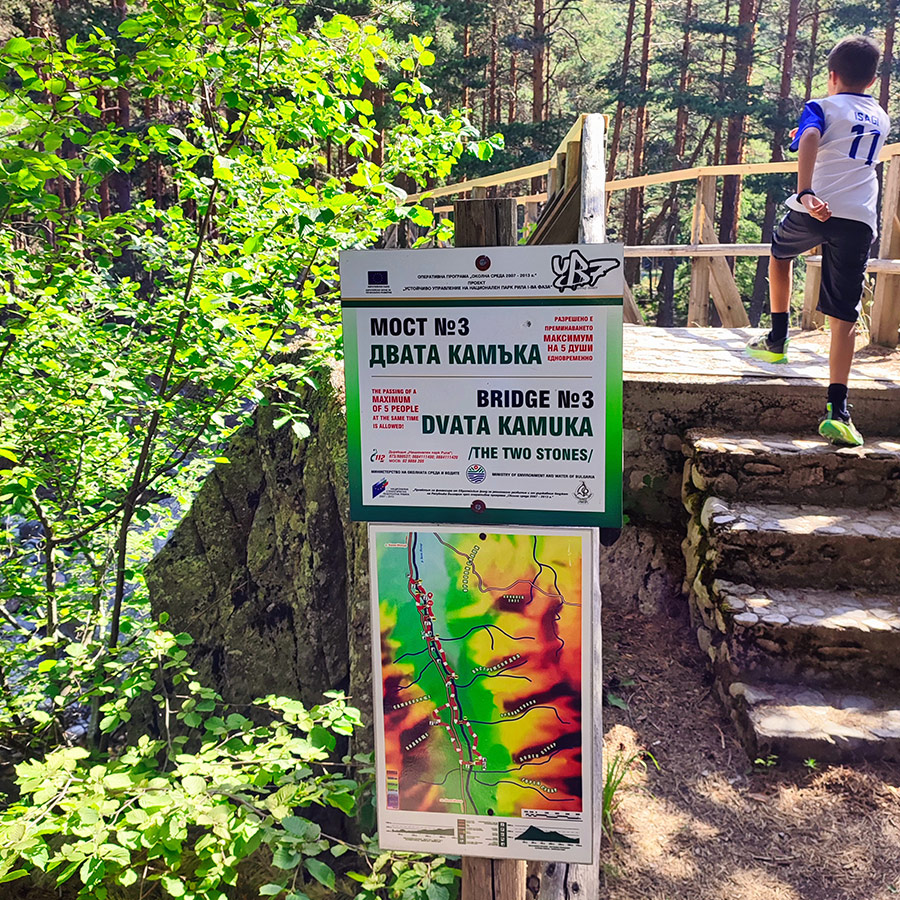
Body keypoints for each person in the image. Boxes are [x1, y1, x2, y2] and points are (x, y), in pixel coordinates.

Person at [746, 35, 890, 447]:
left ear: (831, 75)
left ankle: (777, 338)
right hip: (856, 218)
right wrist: (804, 135)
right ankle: (838, 410)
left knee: (779, 253)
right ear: (873, 79)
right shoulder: (881, 117)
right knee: (844, 314)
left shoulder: (820, 107)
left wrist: (806, 190)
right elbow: (839, 141)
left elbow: (812, 137)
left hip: (815, 208)